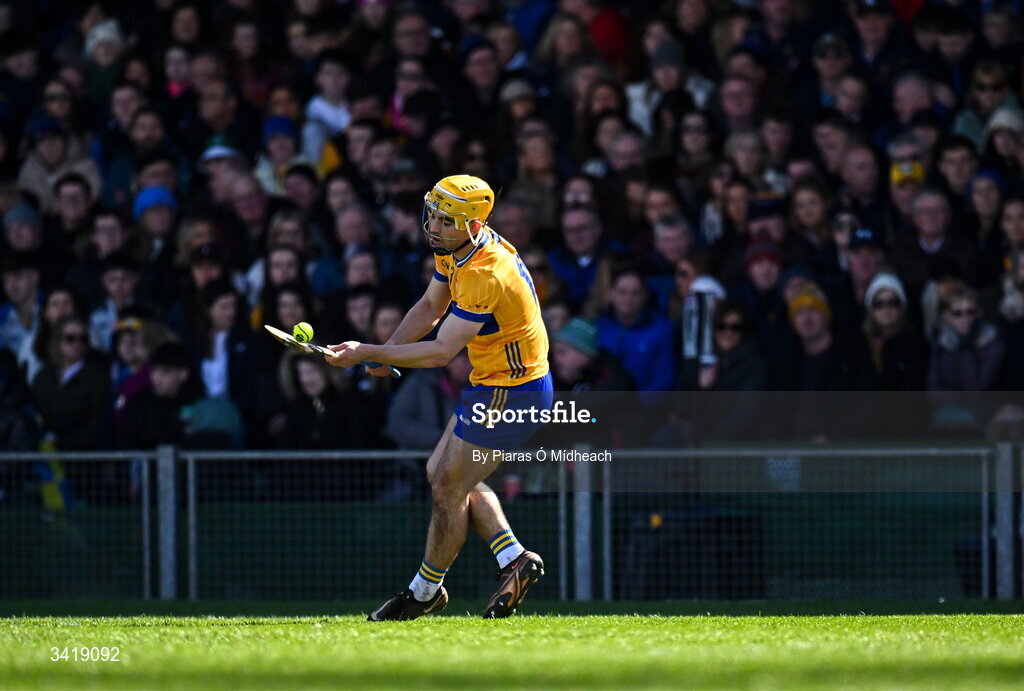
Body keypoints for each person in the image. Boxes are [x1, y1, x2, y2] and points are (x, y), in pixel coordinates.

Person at [325, 174, 551, 621]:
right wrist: (386, 352)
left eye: (445, 220)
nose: (433, 226)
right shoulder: (457, 249)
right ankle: (514, 560)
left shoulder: (486, 273)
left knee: (449, 485)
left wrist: (369, 351)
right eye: (433, 213)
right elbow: (430, 308)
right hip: (492, 383)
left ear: (471, 225)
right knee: (441, 475)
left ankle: (424, 591)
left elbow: (441, 350)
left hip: (514, 391)